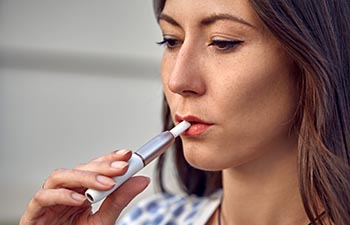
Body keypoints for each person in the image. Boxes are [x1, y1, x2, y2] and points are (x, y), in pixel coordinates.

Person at [20, 0, 350, 224]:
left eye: (223, 42)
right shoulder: (148, 219)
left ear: (313, 59)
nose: (178, 80)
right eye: (171, 40)